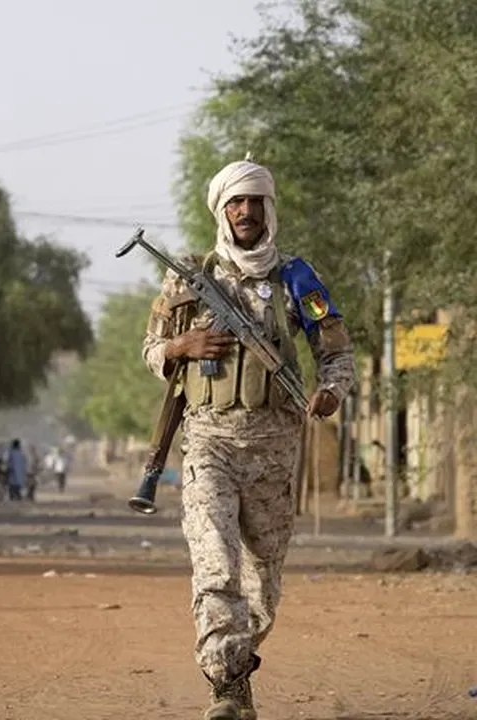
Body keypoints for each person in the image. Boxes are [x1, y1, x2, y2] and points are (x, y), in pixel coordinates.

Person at [141, 159, 355, 720]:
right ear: (221, 211)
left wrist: (330, 392)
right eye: (235, 203)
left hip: (276, 447)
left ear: (268, 209)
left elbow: (335, 350)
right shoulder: (189, 276)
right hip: (209, 442)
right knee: (215, 562)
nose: (244, 212)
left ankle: (239, 659)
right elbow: (151, 350)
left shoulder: (298, 279)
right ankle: (227, 686)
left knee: (263, 579)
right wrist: (182, 349)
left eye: (254, 202)